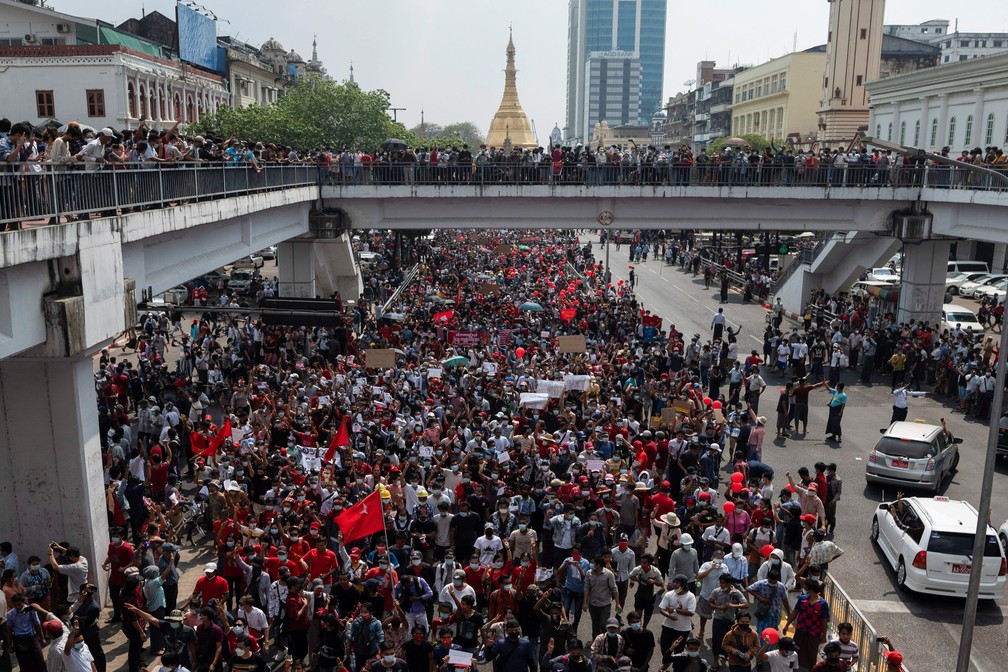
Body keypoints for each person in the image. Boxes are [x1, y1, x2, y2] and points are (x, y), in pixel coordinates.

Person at [782, 578, 830, 670]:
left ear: (810, 589)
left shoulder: (823, 604)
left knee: (812, 653)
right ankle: (794, 668)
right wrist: (787, 625)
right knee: (795, 651)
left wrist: (824, 636)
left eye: (805, 586)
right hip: (800, 631)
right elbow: (795, 612)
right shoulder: (802, 599)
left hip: (814, 634)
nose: (803, 587)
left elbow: (824, 621)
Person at [658, 575, 696, 664]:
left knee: (678, 652)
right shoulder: (669, 594)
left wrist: (675, 610)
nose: (674, 584)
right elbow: (662, 609)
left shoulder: (690, 596)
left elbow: (691, 612)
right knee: (664, 648)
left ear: (683, 585)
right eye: (674, 582)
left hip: (682, 629)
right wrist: (669, 616)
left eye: (677, 582)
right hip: (668, 626)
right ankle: (666, 663)